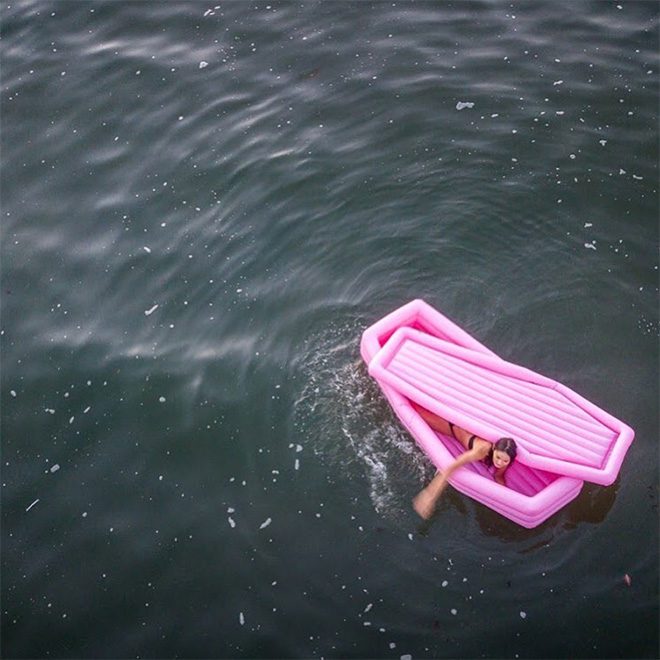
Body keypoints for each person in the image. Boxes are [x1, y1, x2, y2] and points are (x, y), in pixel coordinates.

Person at [411, 403, 518, 520]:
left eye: (505, 461)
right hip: (451, 426)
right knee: (417, 411)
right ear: (494, 448)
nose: (500, 463)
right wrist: (430, 494)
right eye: (498, 457)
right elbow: (452, 466)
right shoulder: (483, 449)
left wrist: (509, 500)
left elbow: (499, 476)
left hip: (463, 427)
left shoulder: (505, 458)